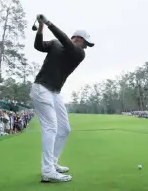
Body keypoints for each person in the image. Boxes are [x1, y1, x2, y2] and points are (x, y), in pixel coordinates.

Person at [29, 14, 94, 183]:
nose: (85, 47)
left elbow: (65, 41)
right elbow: (39, 46)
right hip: (41, 89)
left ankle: (53, 163)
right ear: (78, 38)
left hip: (55, 92)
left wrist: (48, 23)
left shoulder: (78, 53)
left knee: (64, 129)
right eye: (85, 43)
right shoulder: (56, 44)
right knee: (51, 128)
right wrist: (41, 27)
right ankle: (47, 171)